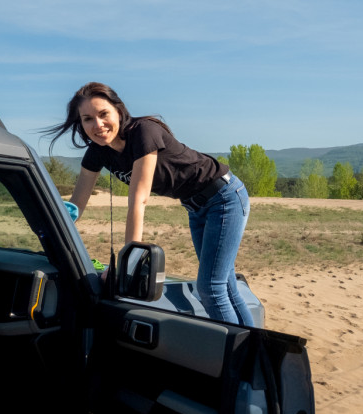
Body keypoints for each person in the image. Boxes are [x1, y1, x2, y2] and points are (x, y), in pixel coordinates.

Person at [47, 82, 255, 326]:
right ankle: (255, 350)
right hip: (195, 207)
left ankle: (238, 359)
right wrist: (51, 234)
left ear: (118, 110)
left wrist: (127, 265)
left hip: (224, 197)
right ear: (80, 124)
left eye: (103, 114)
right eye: (88, 119)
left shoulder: (143, 132)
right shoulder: (98, 151)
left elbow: (139, 200)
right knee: (225, 285)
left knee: (211, 288)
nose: (98, 125)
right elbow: (76, 205)